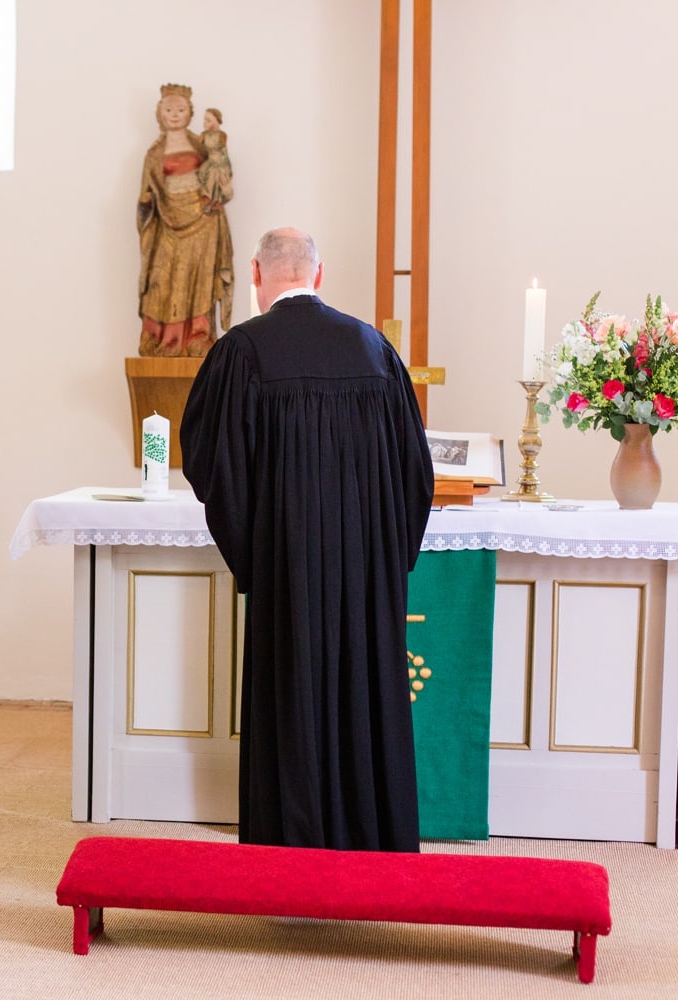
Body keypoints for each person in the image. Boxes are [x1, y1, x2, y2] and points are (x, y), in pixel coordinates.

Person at [180, 227, 434, 853]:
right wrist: (383, 560)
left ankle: (288, 856)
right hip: (365, 576)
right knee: (364, 692)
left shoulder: (242, 351)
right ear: (319, 276)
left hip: (286, 569)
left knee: (290, 696)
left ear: (257, 276)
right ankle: (371, 846)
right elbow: (416, 473)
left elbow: (211, 465)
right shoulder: (374, 349)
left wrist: (258, 558)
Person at [137, 83, 234, 357]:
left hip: (202, 220)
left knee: (198, 276)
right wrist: (147, 204)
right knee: (162, 277)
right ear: (160, 113)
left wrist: (218, 190)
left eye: (180, 109)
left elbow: (217, 171)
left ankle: (197, 336)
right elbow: (147, 192)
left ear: (189, 112)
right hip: (166, 220)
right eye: (169, 109)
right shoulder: (154, 154)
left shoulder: (202, 145)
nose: (175, 115)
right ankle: (161, 338)